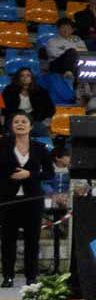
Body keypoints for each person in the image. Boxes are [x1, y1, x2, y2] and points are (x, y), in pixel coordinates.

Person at [0, 112, 55, 288]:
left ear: (31, 127)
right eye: (16, 122)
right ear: (11, 126)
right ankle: (7, 276)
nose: (20, 124)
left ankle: (31, 277)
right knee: (8, 240)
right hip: (8, 200)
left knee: (32, 240)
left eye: (24, 121)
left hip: (33, 200)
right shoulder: (2, 145)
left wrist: (29, 174)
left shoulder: (40, 148)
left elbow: (49, 173)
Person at [2, 68, 55, 134]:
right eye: (22, 75)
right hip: (15, 119)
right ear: (18, 78)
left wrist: (39, 118)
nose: (25, 78)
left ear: (32, 78)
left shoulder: (40, 91)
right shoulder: (9, 90)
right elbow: (5, 109)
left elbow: (51, 109)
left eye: (28, 75)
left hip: (33, 120)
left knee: (41, 129)